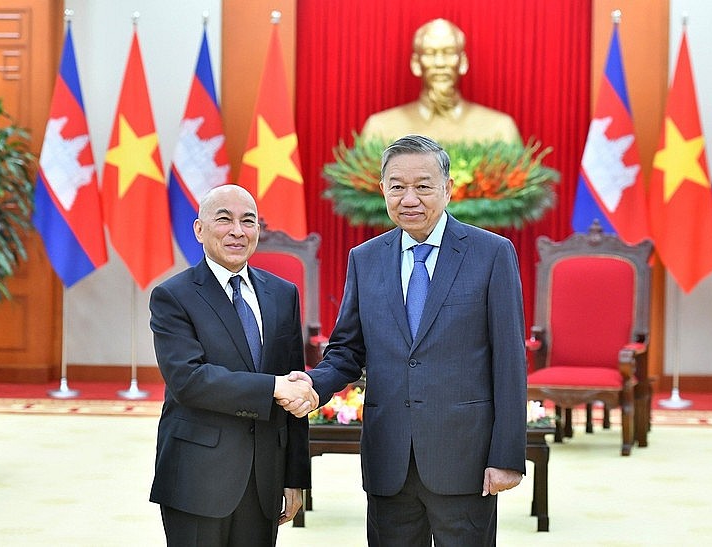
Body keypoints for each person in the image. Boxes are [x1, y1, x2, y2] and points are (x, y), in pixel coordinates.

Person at [285, 135, 527, 546]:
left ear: (448, 188)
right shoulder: (365, 258)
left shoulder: (491, 254)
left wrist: (506, 456)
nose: (409, 198)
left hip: (464, 458)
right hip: (389, 458)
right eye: (397, 186)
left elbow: (509, 361)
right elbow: (347, 350)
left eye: (423, 186)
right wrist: (312, 384)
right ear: (383, 189)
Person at [148, 184, 319, 546]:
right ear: (199, 229)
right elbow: (189, 380)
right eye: (224, 219)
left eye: (248, 221)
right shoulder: (173, 296)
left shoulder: (282, 294)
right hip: (197, 479)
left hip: (264, 480)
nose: (237, 231)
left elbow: (294, 386)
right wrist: (272, 387)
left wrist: (294, 477)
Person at [360, 18, 521, 144]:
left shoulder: (499, 130)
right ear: (416, 64)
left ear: (463, 62)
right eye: (430, 53)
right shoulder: (380, 129)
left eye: (449, 52)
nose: (440, 63)